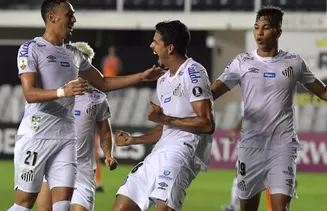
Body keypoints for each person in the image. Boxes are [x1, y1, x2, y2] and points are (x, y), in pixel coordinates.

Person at [210, 5, 327, 211]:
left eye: (266, 27)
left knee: (280, 207)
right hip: (251, 145)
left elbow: (322, 91)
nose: (259, 32)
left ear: (278, 31)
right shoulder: (241, 62)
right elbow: (211, 93)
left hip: (283, 145)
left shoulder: (294, 63)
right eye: (256, 27)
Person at [9, 1, 164, 210]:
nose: (73, 20)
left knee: (63, 204)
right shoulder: (31, 49)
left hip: (66, 138)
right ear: (52, 17)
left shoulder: (74, 54)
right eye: (69, 15)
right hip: (37, 135)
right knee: (25, 203)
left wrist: (141, 77)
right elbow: (29, 93)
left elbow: (103, 83)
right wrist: (64, 91)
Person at [113, 20, 215, 211]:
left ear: (170, 48)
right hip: (159, 152)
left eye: (155, 42)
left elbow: (207, 124)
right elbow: (167, 127)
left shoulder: (193, 72)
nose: (151, 45)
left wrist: (165, 119)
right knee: (122, 206)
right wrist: (134, 140)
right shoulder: (163, 81)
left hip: (183, 151)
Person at [35, 42, 118, 211]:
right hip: (52, 165)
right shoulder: (56, 92)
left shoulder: (98, 99)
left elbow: (105, 132)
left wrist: (108, 154)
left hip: (82, 171)